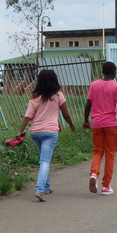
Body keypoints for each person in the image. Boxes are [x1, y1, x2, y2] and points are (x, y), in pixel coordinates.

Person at [18, 69, 75, 202]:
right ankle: (39, 190)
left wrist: (20, 131)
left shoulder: (34, 97)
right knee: (45, 161)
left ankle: (47, 187)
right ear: (54, 80)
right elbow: (66, 114)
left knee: (43, 159)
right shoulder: (58, 95)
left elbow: (28, 116)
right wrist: (71, 125)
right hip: (50, 132)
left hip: (35, 132)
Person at [83, 61, 117, 195]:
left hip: (96, 124)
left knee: (97, 151)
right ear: (114, 72)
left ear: (102, 72)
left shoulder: (93, 85)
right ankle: (106, 186)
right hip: (111, 124)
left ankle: (94, 175)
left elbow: (88, 105)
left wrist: (85, 120)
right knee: (110, 155)